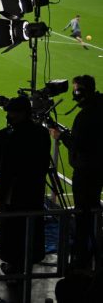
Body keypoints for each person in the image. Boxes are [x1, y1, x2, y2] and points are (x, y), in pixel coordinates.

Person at [0, 95, 50, 277]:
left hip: (15, 192)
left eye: (12, 113)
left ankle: (14, 267)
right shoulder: (42, 133)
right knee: (30, 226)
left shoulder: (11, 136)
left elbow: (6, 168)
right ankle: (27, 261)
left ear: (23, 113)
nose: (9, 116)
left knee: (13, 228)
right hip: (34, 190)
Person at [50, 75, 103, 270]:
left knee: (82, 215)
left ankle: (81, 258)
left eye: (75, 90)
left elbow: (78, 145)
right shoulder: (99, 108)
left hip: (86, 171)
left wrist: (61, 136)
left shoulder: (85, 116)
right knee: (93, 208)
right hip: (98, 169)